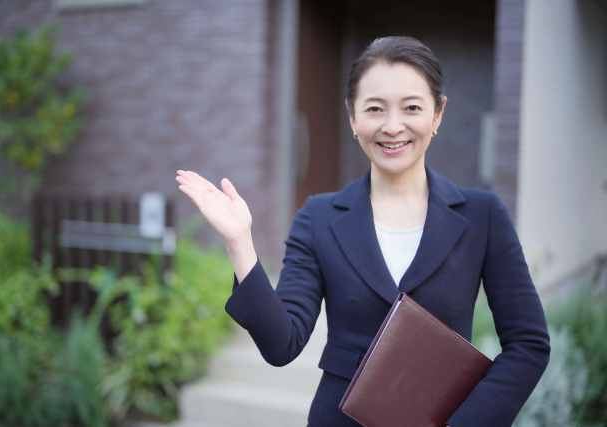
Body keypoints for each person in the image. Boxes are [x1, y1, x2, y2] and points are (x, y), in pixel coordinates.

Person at [175, 36, 551, 427]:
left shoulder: (482, 215)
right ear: (353, 117)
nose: (392, 126)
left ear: (437, 114)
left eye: (412, 107)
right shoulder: (318, 217)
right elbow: (281, 343)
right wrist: (240, 243)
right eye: (374, 108)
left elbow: (528, 344)